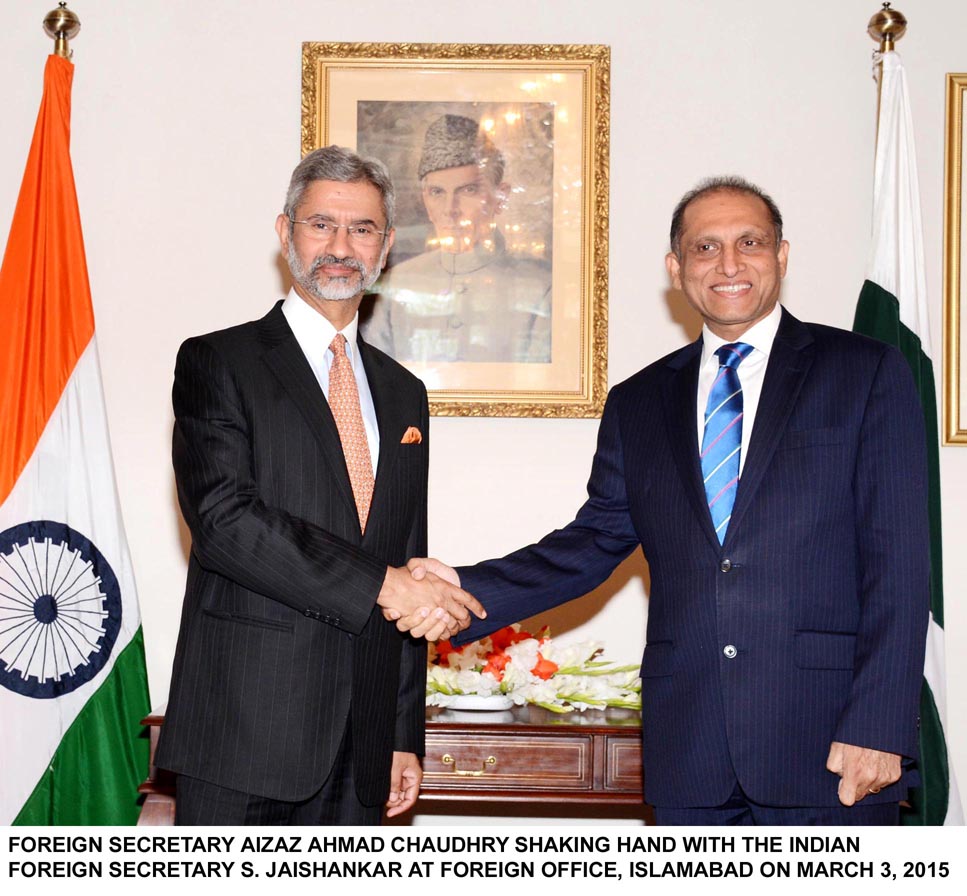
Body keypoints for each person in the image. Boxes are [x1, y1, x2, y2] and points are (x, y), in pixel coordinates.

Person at [398, 177, 930, 825]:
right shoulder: (638, 401)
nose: (728, 264)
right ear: (676, 268)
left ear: (781, 255)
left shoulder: (864, 371)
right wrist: (461, 585)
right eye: (704, 248)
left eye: (749, 243)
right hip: (691, 750)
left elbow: (898, 564)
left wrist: (877, 726)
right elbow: (592, 543)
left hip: (829, 744)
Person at [155, 146, 484, 826]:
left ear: (386, 246)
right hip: (244, 732)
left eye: (362, 229)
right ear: (285, 235)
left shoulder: (403, 393)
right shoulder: (217, 360)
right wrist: (383, 586)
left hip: (363, 749)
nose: (340, 246)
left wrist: (400, 735)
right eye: (320, 224)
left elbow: (406, 554)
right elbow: (224, 521)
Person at [361, 113, 551, 364]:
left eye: (468, 190)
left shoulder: (540, 289)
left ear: (500, 197)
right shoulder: (395, 286)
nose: (451, 208)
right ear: (425, 199)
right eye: (437, 192)